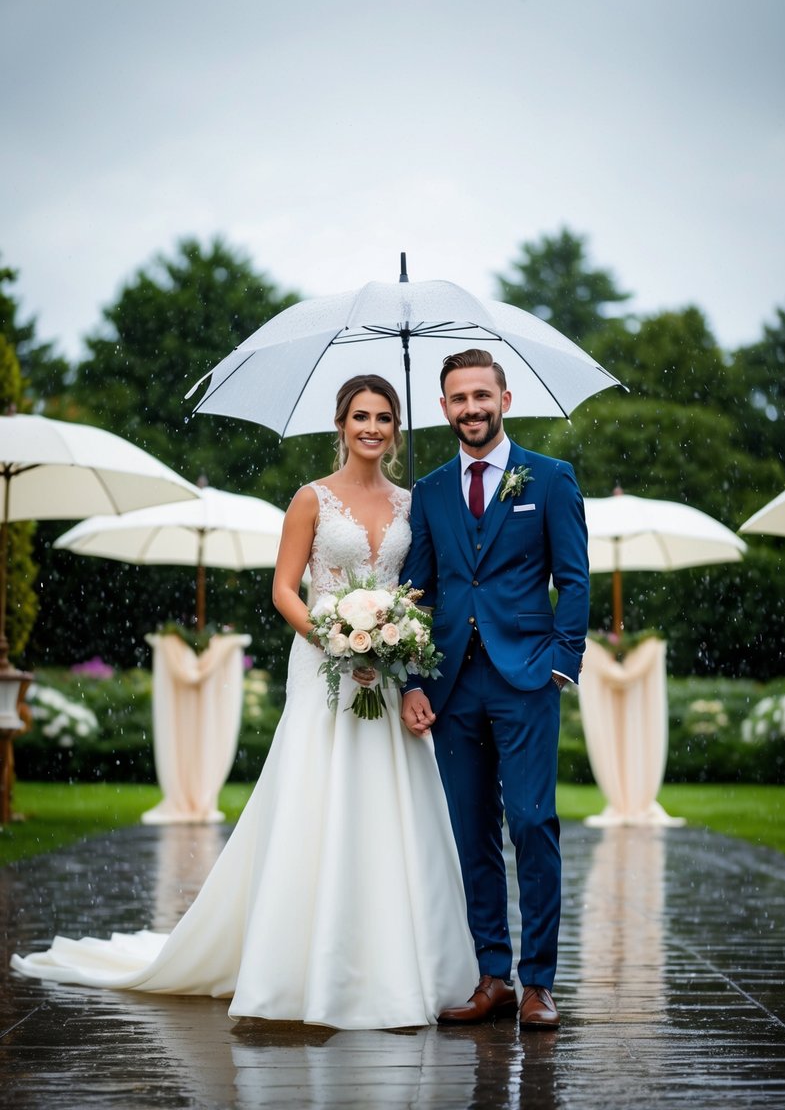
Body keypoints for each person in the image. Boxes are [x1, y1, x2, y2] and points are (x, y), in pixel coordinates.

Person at [12, 374, 477, 1029]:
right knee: (319, 793)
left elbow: (420, 589)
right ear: (340, 426)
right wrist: (338, 636)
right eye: (359, 416)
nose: (371, 427)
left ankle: (401, 961)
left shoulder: (414, 504)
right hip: (323, 663)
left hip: (392, 666)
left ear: (395, 429)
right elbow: (284, 589)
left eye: (382, 417)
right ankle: (299, 961)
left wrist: (391, 635)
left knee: (391, 798)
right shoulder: (310, 500)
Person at [400, 348, 590, 1031]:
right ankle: (492, 976)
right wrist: (412, 681)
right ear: (444, 407)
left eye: (482, 395)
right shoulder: (428, 492)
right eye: (458, 398)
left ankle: (538, 982)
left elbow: (573, 578)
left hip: (527, 678)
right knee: (469, 833)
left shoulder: (550, 477)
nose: (471, 409)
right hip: (451, 685)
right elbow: (417, 593)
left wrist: (562, 661)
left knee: (533, 824)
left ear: (504, 400)